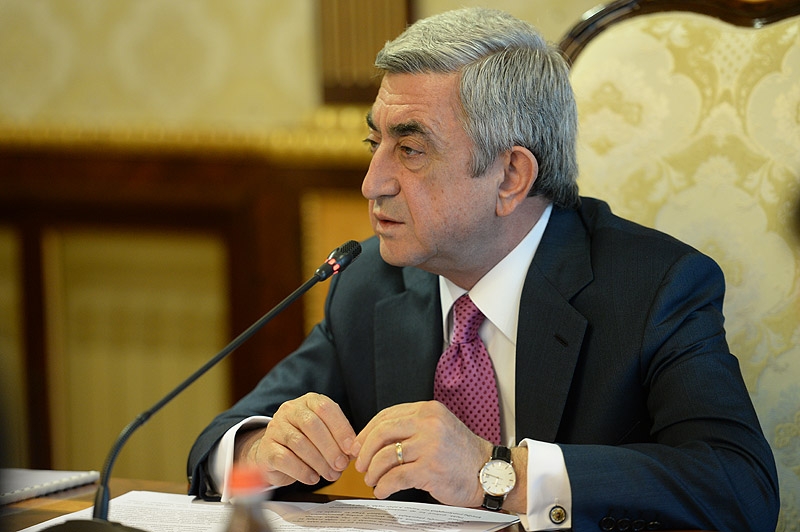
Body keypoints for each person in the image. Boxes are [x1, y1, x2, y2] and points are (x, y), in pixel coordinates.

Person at [188, 7, 779, 531]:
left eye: (410, 150)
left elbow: (738, 487)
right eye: (375, 145)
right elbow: (217, 446)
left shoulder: (653, 288)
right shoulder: (369, 284)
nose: (372, 184)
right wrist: (260, 451)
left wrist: (496, 473)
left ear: (511, 176)